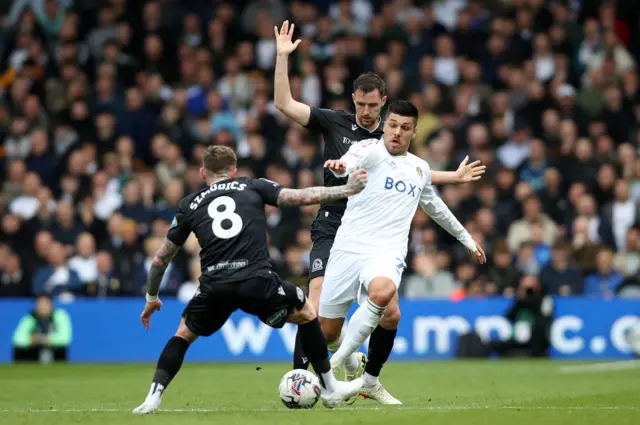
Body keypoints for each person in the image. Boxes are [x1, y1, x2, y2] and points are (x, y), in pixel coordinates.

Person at [273, 21, 486, 393]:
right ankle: (299, 383)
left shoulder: (391, 134)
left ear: (384, 104)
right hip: (333, 221)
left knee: (390, 311)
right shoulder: (334, 122)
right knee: (318, 303)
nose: (367, 112)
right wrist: (281, 58)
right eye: (360, 104)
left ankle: (367, 378)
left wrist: (451, 177)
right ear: (352, 100)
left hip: (374, 231)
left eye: (373, 106)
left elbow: (413, 173)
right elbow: (283, 104)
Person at [132, 145, 369, 414]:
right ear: (234, 171)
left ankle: (153, 397)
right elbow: (300, 197)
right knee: (306, 312)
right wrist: (345, 189)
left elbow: (161, 259)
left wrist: (152, 297)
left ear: (202, 173)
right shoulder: (253, 187)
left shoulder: (189, 204)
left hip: (214, 286)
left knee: (183, 335)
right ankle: (329, 387)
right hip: (256, 280)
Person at [320, 100, 486, 404]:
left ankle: (337, 372)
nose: (397, 132)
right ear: (385, 124)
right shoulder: (368, 149)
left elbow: (437, 209)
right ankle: (348, 361)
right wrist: (341, 166)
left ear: (414, 132)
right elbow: (350, 160)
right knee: (329, 332)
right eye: (393, 125)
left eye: (405, 128)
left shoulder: (419, 168)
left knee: (385, 298)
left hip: (387, 252)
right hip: (348, 248)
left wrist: (467, 239)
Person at [12, 295, 73, 362]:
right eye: (39, 304)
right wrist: (33, 340)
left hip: (56, 355)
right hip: (32, 355)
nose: (43, 307)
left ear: (51, 305)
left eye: (45, 303)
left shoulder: (60, 315)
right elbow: (17, 339)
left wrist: (45, 340)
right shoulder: (30, 318)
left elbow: (65, 339)